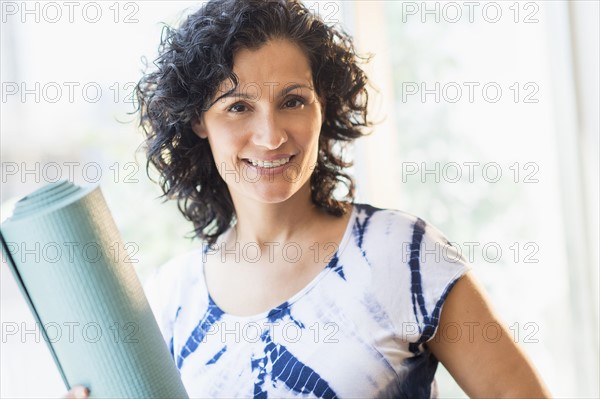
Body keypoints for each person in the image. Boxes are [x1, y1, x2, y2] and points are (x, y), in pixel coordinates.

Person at [66, 0, 551, 397]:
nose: (271, 136)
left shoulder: (403, 254)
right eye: (238, 107)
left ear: (325, 105)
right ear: (199, 122)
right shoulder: (172, 300)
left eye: (293, 101)